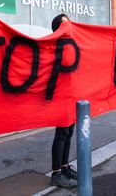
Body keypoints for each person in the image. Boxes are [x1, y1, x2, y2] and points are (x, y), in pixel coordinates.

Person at [50, 14, 77, 188]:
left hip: (73, 96)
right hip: (61, 98)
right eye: (64, 22)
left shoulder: (73, 46)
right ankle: (56, 173)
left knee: (68, 133)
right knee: (61, 134)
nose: (69, 25)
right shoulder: (53, 46)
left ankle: (65, 167)